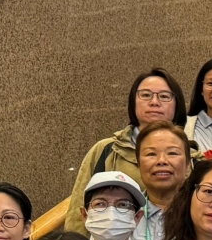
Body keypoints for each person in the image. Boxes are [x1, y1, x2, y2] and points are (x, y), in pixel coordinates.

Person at [68, 67, 188, 224]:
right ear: (133, 102)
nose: (154, 102)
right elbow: (79, 209)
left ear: (177, 104)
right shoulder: (107, 150)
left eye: (164, 96)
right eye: (145, 95)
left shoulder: (193, 154)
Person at [132, 121, 194, 240]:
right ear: (138, 164)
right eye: (151, 154)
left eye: (172, 153)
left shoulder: (205, 213)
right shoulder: (124, 214)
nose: (161, 161)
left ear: (188, 164)